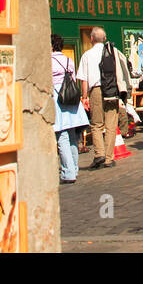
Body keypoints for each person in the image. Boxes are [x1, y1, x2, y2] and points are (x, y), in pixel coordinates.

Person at [76, 27, 133, 169]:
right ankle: (109, 158)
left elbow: (84, 80)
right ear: (105, 38)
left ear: (91, 39)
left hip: (95, 90)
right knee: (111, 124)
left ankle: (99, 154)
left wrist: (84, 97)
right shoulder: (113, 52)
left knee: (96, 124)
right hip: (112, 90)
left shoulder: (87, 55)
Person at [51, 34, 88, 183]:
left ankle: (68, 172)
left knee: (62, 137)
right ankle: (75, 168)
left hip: (58, 98)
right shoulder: (69, 60)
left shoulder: (49, 61)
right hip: (71, 99)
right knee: (73, 136)